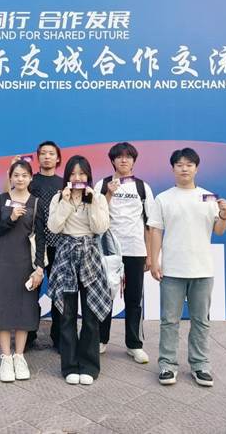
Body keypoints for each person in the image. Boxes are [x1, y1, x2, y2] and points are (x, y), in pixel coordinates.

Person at [148, 147, 226, 387]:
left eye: (189, 164)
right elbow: (155, 231)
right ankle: (167, 365)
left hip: (202, 269)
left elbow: (219, 230)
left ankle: (200, 365)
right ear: (173, 168)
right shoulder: (163, 198)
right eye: (179, 164)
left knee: (201, 321)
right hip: (172, 270)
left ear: (197, 168)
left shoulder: (209, 198)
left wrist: (225, 214)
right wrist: (154, 260)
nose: (184, 168)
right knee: (169, 320)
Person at [47, 155, 111, 385]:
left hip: (90, 255)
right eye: (73, 174)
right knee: (67, 315)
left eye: (82, 173)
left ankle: (89, 366)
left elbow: (100, 227)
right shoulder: (58, 197)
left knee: (91, 315)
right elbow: (54, 227)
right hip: (66, 255)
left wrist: (92, 202)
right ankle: (70, 366)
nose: (77, 178)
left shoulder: (98, 197)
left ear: (88, 176)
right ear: (67, 176)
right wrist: (65, 202)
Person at [0, 160, 46, 382]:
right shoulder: (0, 200)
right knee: (2, 307)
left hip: (25, 263)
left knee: (24, 308)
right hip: (3, 261)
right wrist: (10, 219)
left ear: (31, 178)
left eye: (24, 175)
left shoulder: (36, 203)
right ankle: (6, 357)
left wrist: (39, 267)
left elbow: (41, 238)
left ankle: (19, 356)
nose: (20, 179)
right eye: (16, 175)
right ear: (10, 177)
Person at [94, 142, 155, 364]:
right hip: (108, 251)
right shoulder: (102, 184)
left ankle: (134, 344)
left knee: (134, 298)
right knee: (105, 296)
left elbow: (150, 224)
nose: (123, 160)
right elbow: (96, 214)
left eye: (128, 157)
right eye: (119, 157)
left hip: (135, 249)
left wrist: (150, 255)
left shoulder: (142, 187)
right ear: (112, 160)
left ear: (133, 161)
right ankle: (101, 340)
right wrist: (108, 194)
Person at [27, 141, 64, 349]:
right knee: (30, 290)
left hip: (59, 245)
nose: (47, 157)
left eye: (51, 153)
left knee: (59, 292)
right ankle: (29, 334)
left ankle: (59, 337)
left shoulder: (64, 183)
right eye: (43, 153)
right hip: (34, 244)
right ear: (38, 157)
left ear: (58, 158)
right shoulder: (29, 181)